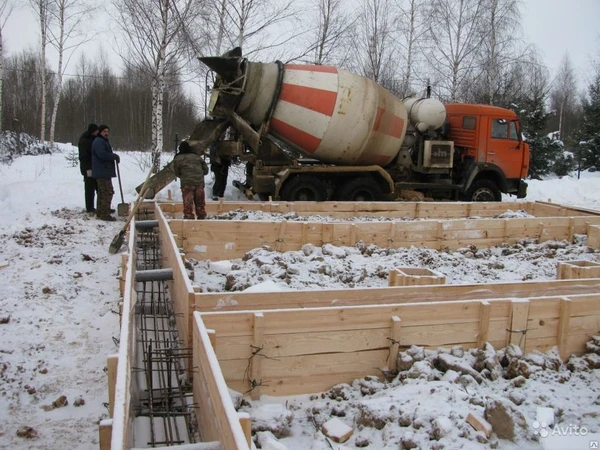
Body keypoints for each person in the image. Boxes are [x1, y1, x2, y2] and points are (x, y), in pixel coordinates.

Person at [173, 141, 209, 220]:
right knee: (200, 202)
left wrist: (184, 176)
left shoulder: (178, 158)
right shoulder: (197, 157)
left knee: (188, 203)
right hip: (199, 182)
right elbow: (206, 170)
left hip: (187, 183)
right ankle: (202, 217)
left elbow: (177, 172)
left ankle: (189, 218)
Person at [91, 125, 120, 221]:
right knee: (107, 192)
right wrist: (114, 156)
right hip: (102, 171)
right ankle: (104, 214)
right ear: (100, 132)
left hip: (103, 170)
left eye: (107, 131)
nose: (106, 133)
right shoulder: (99, 142)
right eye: (104, 131)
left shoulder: (102, 141)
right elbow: (102, 154)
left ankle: (101, 211)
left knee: (103, 192)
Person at [78, 123, 99, 212]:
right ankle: (90, 207)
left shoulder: (93, 139)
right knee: (90, 188)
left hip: (95, 166)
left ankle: (101, 207)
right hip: (88, 167)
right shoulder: (85, 141)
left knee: (98, 187)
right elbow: (84, 157)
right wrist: (88, 168)